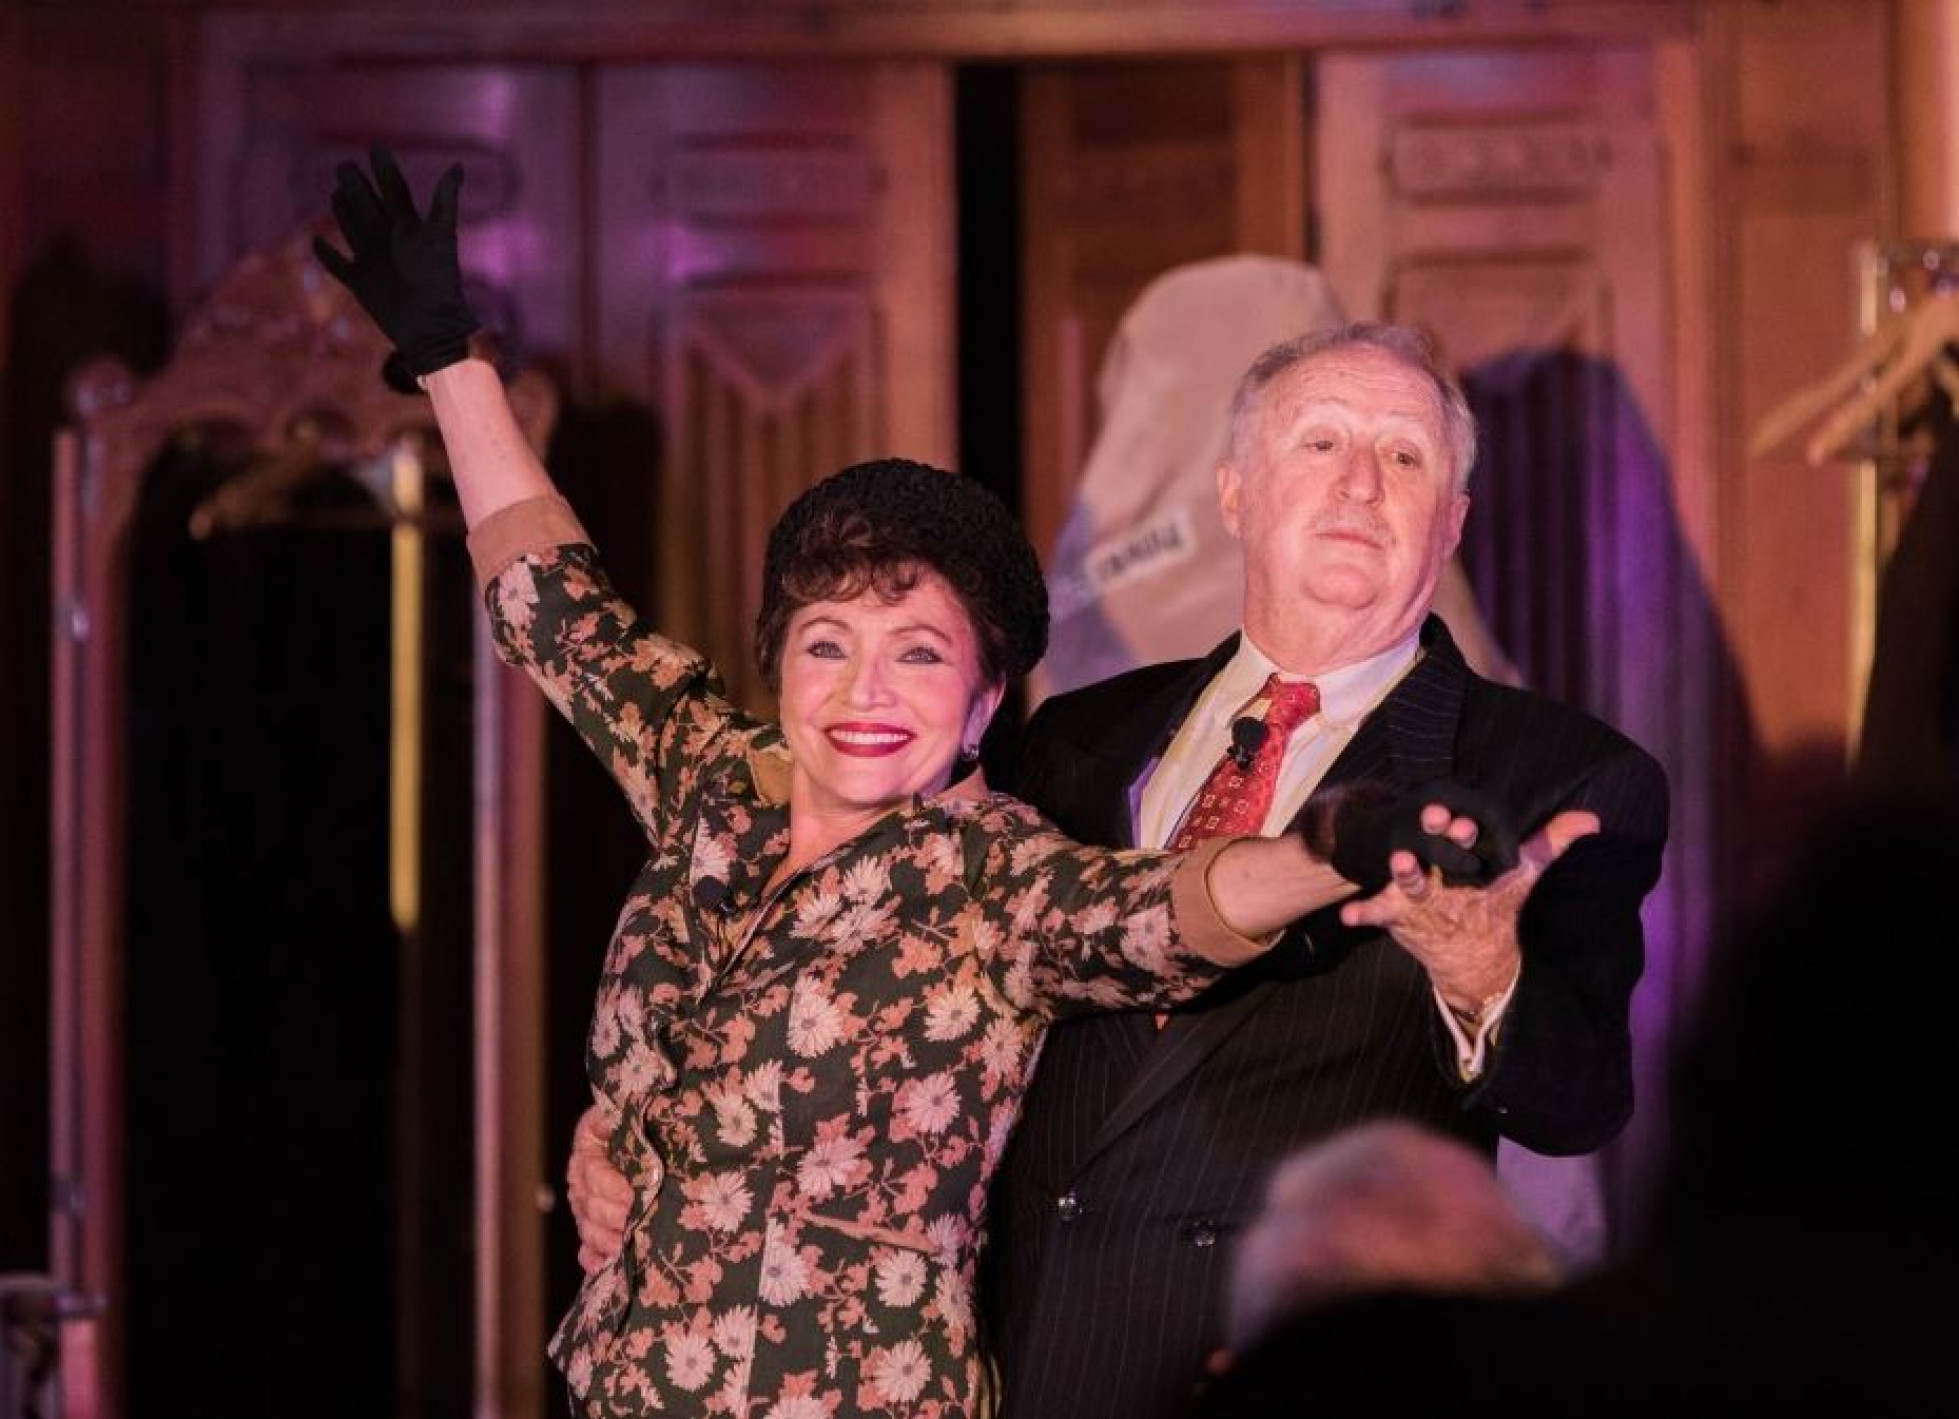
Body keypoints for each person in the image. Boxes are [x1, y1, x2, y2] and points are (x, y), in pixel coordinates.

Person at [315, 150, 1594, 1419]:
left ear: (986, 703)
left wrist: (1342, 844)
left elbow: (1174, 911)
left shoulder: (993, 877)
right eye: (829, 645)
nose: (865, 692)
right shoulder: (714, 780)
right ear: (779, 664)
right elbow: (555, 609)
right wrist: (446, 358)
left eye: (919, 655)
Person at [567, 320, 1668, 1419]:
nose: (1361, 483)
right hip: (1032, 1371)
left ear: (1453, 520)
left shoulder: (1558, 778)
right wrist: (645, 1121)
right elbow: (860, 956)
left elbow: (1577, 1105)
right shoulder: (1071, 736)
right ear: (1234, 493)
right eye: (1322, 442)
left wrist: (1485, 978)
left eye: (1404, 455)